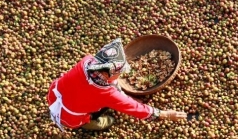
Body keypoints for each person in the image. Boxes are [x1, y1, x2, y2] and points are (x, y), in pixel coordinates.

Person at [47, 38, 187, 131]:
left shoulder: (88, 61)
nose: (121, 75)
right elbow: (137, 110)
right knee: (103, 120)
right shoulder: (106, 94)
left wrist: (122, 95)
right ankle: (91, 125)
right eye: (120, 72)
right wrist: (167, 114)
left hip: (54, 94)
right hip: (70, 116)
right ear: (108, 74)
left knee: (92, 96)